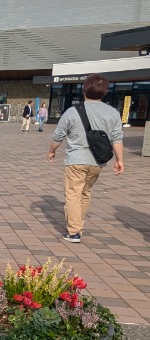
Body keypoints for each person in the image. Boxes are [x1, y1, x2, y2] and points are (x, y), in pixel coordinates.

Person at [47, 74, 124, 243]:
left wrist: (52, 151)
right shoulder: (113, 113)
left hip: (76, 160)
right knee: (85, 193)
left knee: (73, 195)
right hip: (97, 162)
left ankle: (74, 231)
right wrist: (120, 160)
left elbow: (58, 135)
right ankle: (77, 225)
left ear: (85, 90)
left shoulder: (72, 111)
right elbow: (117, 137)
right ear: (104, 92)